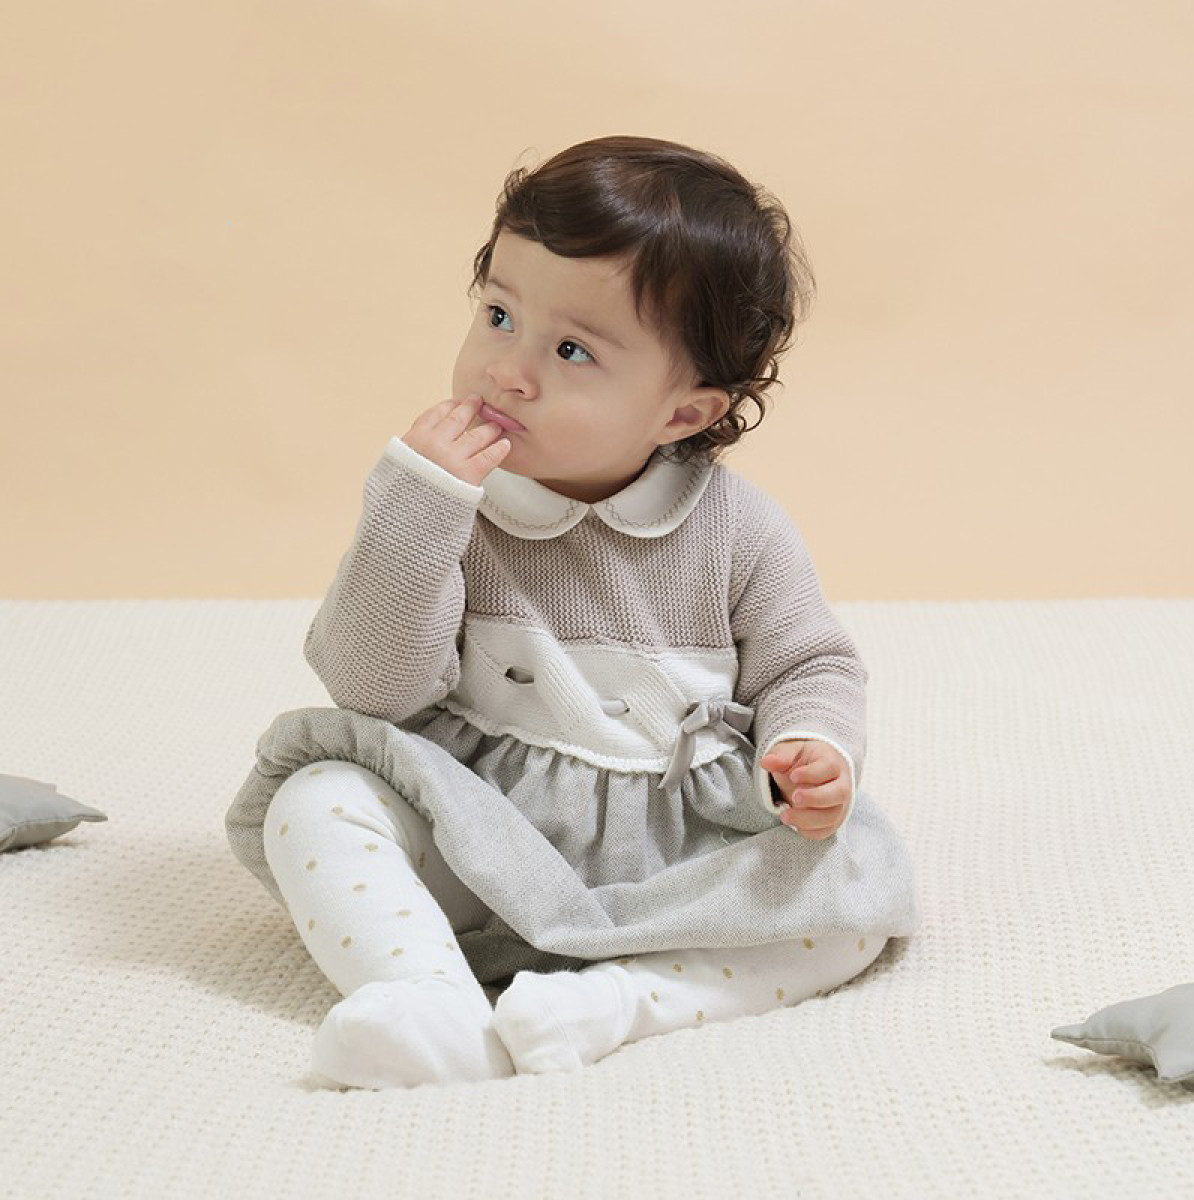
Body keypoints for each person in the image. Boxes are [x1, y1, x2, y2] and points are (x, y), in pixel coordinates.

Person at [225, 134, 919, 1091]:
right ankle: (432, 1005)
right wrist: (417, 511)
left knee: (851, 900)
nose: (507, 370)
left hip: (673, 856)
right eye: (498, 315)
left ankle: (621, 1003)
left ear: (683, 414)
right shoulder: (447, 506)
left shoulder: (735, 528)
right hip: (479, 837)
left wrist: (810, 748)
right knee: (315, 799)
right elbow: (370, 689)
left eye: (570, 350)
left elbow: (811, 664)